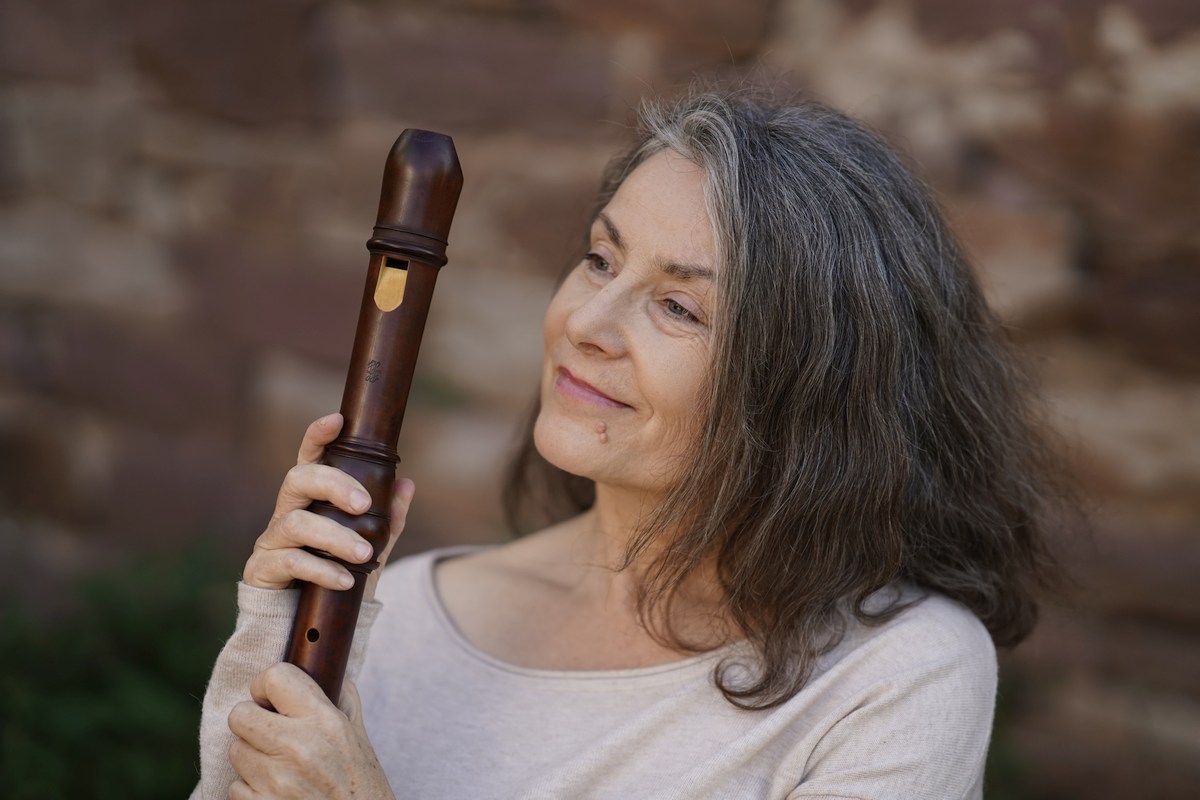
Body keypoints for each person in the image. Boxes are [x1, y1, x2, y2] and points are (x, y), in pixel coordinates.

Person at [191, 89, 1067, 799]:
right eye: (601, 260)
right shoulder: (404, 616)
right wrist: (271, 644)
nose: (588, 323)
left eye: (678, 306)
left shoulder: (893, 677)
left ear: (811, 388)